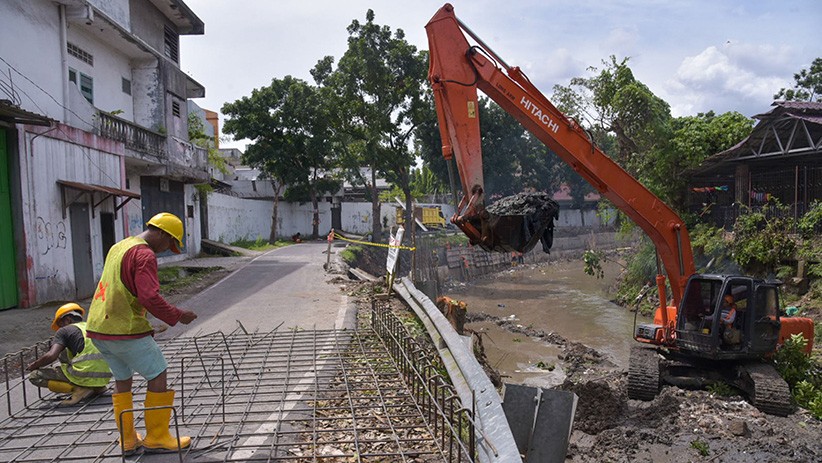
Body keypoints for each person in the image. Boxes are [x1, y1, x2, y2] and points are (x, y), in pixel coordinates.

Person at [86, 212, 197, 454]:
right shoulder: (144, 254)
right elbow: (148, 296)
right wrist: (178, 315)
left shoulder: (120, 246)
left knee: (122, 379)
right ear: (161, 233)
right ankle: (157, 436)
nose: (167, 249)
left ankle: (127, 439)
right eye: (170, 242)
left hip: (98, 328)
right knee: (157, 372)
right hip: (123, 328)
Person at [26, 303, 112, 405]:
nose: (59, 328)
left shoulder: (64, 330)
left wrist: (34, 365)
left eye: (60, 324)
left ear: (67, 320)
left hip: (84, 373)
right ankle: (96, 387)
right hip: (105, 375)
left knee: (34, 376)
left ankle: (79, 389)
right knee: (66, 349)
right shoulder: (91, 327)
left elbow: (51, 356)